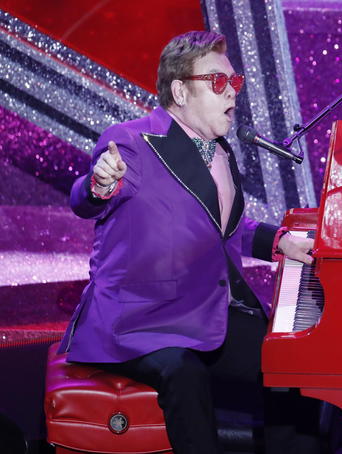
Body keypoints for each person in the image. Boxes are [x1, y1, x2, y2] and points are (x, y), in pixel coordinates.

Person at [57, 30, 317, 454]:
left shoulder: (220, 151)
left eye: (235, 81)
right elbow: (85, 199)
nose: (232, 91)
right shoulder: (132, 141)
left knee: (293, 365)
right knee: (185, 373)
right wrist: (99, 185)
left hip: (201, 312)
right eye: (218, 81)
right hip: (139, 320)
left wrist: (280, 241)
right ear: (179, 91)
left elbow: (221, 227)